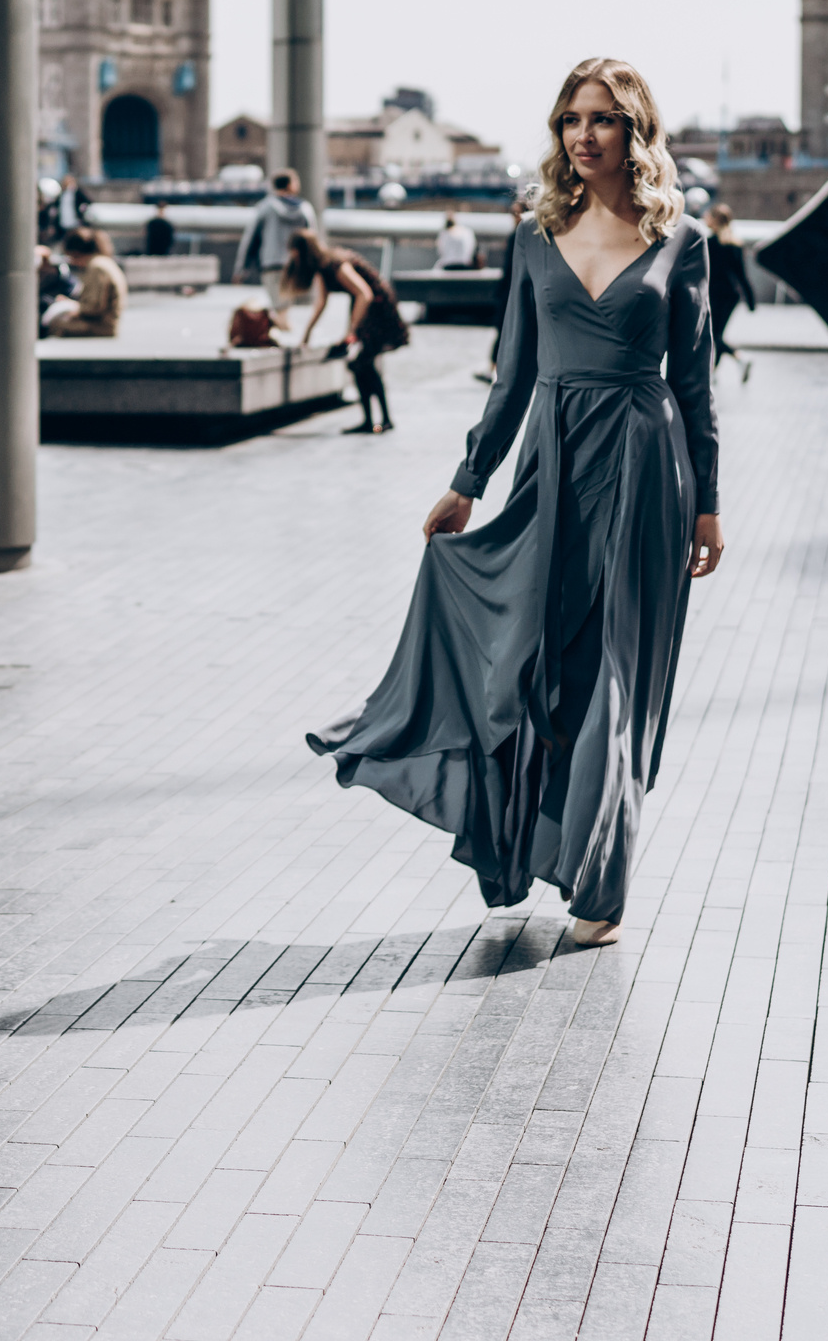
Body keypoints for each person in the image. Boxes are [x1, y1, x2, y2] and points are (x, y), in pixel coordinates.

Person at [308, 56, 723, 950]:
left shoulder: (681, 238)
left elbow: (696, 380)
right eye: (572, 119)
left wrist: (709, 505)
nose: (584, 135)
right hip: (554, 462)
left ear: (635, 132)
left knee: (616, 677)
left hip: (649, 469)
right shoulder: (535, 234)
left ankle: (600, 888)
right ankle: (540, 842)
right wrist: (469, 479)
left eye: (604, 119)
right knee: (537, 669)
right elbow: (513, 375)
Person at [288, 229, 410, 434]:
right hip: (368, 312)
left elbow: (365, 294)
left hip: (377, 310)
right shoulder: (324, 266)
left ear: (302, 251)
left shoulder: (335, 265)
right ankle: (375, 420)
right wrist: (306, 335)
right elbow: (321, 303)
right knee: (362, 365)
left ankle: (381, 420)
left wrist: (352, 330)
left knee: (361, 364)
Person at [473, 195, 528, 385]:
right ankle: (497, 369)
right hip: (513, 291)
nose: (514, 216)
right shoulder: (523, 234)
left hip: (512, 292)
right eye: (512, 212)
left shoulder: (520, 234)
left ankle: (496, 370)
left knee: (505, 332)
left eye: (517, 212)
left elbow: (512, 269)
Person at [704, 202, 759, 383]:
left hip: (715, 294)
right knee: (717, 333)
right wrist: (750, 299)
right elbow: (741, 274)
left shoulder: (710, 243)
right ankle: (713, 373)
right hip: (731, 295)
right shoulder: (735, 244)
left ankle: (740, 359)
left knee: (714, 334)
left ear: (715, 220)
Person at [236, 170, 318, 286]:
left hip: (271, 264)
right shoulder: (305, 209)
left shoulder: (265, 207)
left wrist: (241, 269)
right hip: (297, 265)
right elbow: (313, 240)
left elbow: (250, 239)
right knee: (291, 302)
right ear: (290, 185)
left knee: (278, 303)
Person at [45, 227, 127, 337]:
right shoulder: (103, 262)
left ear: (76, 253)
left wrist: (71, 306)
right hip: (105, 323)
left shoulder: (97, 267)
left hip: (101, 326)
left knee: (54, 324)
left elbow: (94, 307)